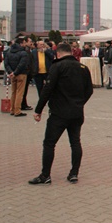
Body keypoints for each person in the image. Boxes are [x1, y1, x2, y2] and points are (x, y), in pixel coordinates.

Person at [28, 42, 93, 185]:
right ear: (71, 52)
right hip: (77, 113)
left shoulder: (57, 67)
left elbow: (47, 89)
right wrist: (79, 103)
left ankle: (45, 175)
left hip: (59, 113)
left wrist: (38, 110)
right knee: (75, 142)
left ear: (58, 54)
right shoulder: (83, 68)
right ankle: (74, 173)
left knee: (49, 143)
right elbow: (89, 90)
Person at [4, 38, 29, 117]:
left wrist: (10, 72)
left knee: (13, 92)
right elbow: (22, 64)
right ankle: (17, 110)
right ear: (21, 44)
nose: (25, 44)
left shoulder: (9, 52)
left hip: (12, 75)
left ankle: (12, 109)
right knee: (19, 93)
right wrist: (15, 73)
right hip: (21, 74)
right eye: (24, 43)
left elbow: (6, 64)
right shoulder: (23, 53)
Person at [20, 37, 34, 111]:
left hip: (28, 73)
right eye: (30, 41)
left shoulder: (29, 50)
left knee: (25, 90)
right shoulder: (25, 51)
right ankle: (22, 104)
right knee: (23, 90)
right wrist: (28, 71)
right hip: (25, 73)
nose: (31, 43)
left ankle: (24, 104)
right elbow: (27, 62)